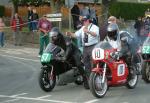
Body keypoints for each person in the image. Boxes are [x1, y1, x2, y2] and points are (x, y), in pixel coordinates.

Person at [66, 15, 100, 88]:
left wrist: (88, 31)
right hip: (85, 48)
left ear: (88, 20)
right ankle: (89, 82)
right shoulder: (82, 28)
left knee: (94, 65)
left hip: (93, 46)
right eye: (83, 21)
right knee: (86, 65)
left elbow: (96, 34)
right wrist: (70, 34)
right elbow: (76, 35)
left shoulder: (94, 27)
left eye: (85, 21)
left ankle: (96, 81)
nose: (84, 22)